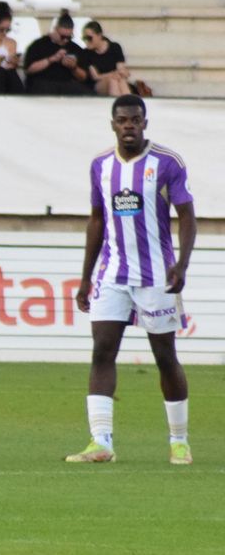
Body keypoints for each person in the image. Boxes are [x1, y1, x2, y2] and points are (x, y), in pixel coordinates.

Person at [67, 95, 195, 466]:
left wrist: (182, 264)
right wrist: (86, 278)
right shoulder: (100, 166)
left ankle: (179, 441)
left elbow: (187, 215)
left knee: (165, 357)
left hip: (157, 275)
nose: (128, 126)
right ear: (113, 124)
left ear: (144, 123)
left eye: (135, 120)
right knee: (102, 351)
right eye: (122, 120)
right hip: (113, 275)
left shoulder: (167, 163)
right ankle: (101, 441)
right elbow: (96, 220)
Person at [23, 10, 93, 96]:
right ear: (55, 30)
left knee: (87, 94)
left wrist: (74, 67)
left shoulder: (75, 48)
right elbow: (29, 69)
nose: (66, 40)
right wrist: (51, 60)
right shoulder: (39, 45)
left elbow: (84, 77)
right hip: (43, 83)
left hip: (67, 84)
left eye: (69, 37)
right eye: (63, 37)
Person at [82, 22, 135, 97]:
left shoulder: (114, 47)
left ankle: (128, 102)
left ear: (99, 35)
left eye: (89, 38)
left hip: (117, 80)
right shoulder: (86, 53)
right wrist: (112, 74)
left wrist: (119, 73)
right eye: (84, 39)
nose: (86, 42)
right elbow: (96, 77)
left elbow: (121, 70)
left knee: (120, 80)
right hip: (98, 84)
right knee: (113, 80)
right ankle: (125, 103)